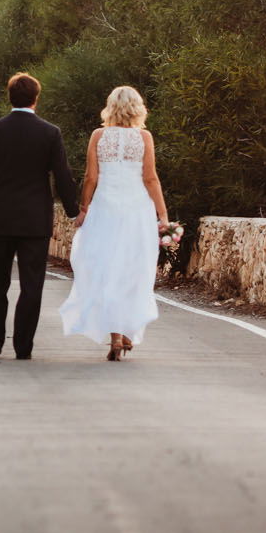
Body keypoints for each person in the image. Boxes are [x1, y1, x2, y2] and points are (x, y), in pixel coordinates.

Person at [0, 72, 80, 360]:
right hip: (34, 221)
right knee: (32, 285)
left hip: (0, 217)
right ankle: (23, 346)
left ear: (10, 97)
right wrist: (74, 212)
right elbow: (62, 176)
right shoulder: (49, 133)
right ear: (36, 99)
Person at [61, 85, 167, 361]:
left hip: (105, 210)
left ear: (111, 107)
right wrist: (163, 215)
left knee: (106, 269)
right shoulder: (144, 137)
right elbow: (150, 178)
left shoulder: (99, 135)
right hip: (136, 211)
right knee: (134, 270)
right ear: (137, 108)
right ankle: (128, 330)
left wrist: (84, 208)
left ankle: (116, 338)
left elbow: (91, 177)